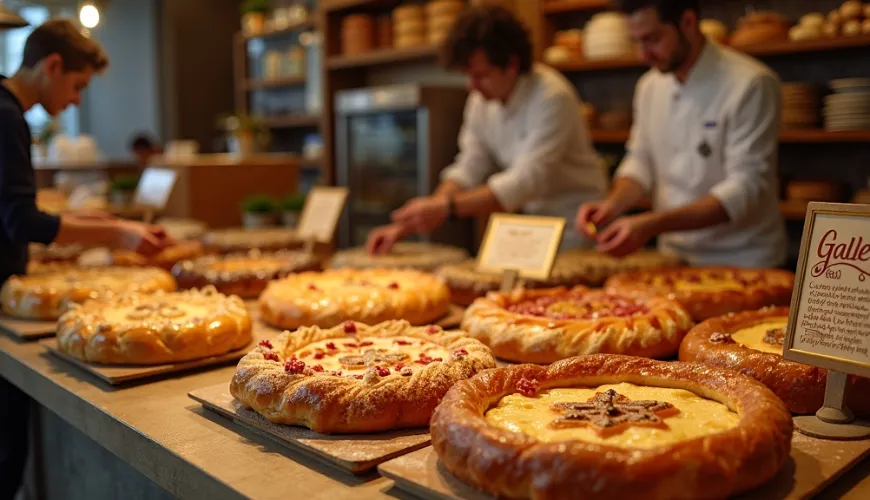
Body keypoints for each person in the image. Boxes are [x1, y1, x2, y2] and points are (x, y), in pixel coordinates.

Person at [0, 20, 171, 499]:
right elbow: (21, 221)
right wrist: (118, 233)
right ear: (52, 65)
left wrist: (87, 219)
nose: (76, 101)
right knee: (5, 454)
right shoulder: (7, 116)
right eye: (77, 86)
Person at [366, 5, 608, 254]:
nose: (472, 86)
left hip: (577, 223)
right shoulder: (480, 102)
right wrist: (409, 223)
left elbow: (527, 179)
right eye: (468, 75)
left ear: (512, 64)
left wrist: (446, 208)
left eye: (481, 75)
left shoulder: (552, 96)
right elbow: (469, 166)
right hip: (532, 223)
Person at [575, 0, 787, 268]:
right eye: (636, 42)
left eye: (652, 39)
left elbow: (745, 187)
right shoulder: (649, 86)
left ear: (688, 22)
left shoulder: (751, 83)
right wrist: (612, 205)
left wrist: (653, 224)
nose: (643, 55)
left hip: (742, 258)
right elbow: (640, 161)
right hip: (672, 256)